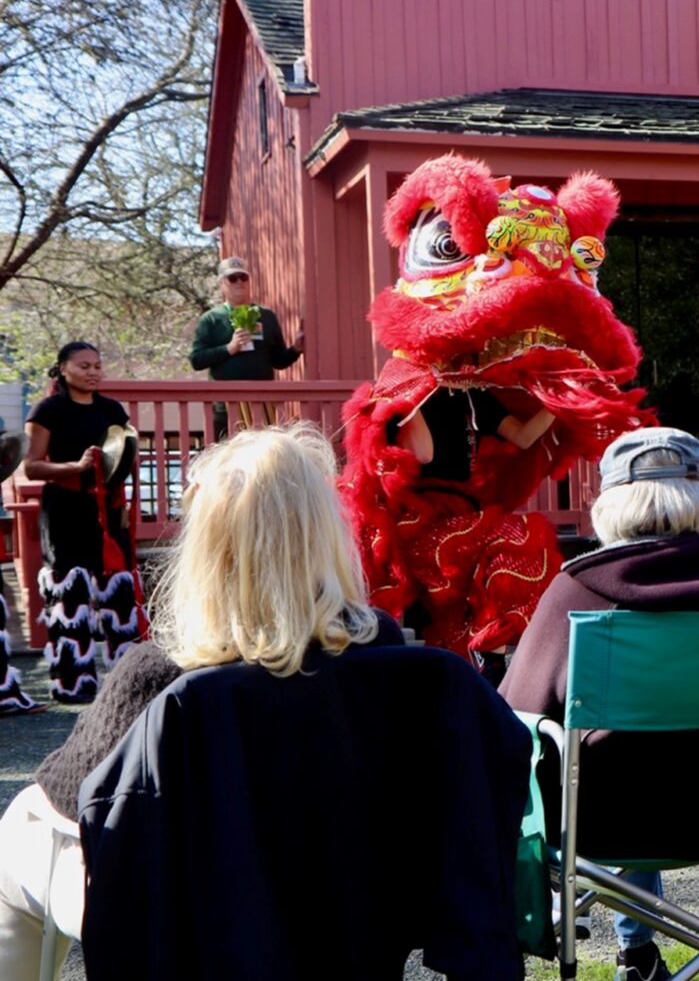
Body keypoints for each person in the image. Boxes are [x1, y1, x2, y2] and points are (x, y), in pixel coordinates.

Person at [0, 424, 407, 980]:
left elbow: (72, 800)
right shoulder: (389, 656)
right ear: (329, 534)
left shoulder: (163, 679)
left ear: (205, 548)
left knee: (25, 819)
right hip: (347, 897)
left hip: (188, 916)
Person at [500, 426, 699, 981]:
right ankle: (644, 951)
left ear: (609, 505)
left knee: (606, 765)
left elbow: (517, 724)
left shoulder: (578, 593)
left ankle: (636, 951)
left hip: (602, 828)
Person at [22, 342, 145, 704]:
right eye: (84, 365)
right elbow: (31, 465)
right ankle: (73, 684)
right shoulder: (49, 409)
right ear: (63, 369)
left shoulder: (111, 409)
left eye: (97, 366)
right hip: (65, 507)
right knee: (70, 595)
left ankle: (130, 681)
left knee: (119, 592)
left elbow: (123, 451)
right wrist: (74, 467)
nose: (93, 371)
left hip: (108, 507)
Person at [189, 256, 305, 440]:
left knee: (264, 461)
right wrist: (229, 348)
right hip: (226, 406)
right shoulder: (211, 319)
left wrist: (296, 350)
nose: (239, 282)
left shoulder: (266, 316)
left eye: (243, 277)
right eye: (232, 278)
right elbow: (196, 360)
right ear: (221, 283)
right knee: (227, 461)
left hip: (262, 403)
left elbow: (278, 360)